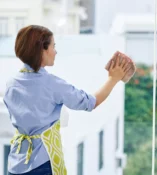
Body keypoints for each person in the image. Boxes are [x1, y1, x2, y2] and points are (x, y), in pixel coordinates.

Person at [3, 25, 132, 175]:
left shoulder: (11, 83)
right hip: (42, 164)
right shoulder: (52, 84)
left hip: (16, 163)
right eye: (53, 46)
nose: (55, 51)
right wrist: (113, 78)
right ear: (41, 50)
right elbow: (90, 103)